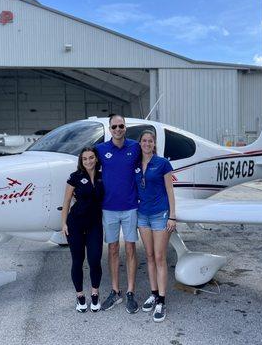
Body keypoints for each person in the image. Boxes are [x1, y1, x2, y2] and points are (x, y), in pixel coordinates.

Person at [95, 114, 141, 313]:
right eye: (114, 126)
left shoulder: (135, 147)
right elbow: (89, 170)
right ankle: (115, 291)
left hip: (130, 207)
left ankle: (130, 292)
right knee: (113, 250)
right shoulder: (101, 149)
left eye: (121, 126)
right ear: (109, 128)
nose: (118, 129)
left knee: (131, 249)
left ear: (125, 128)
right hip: (109, 209)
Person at [135, 130, 176, 323]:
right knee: (149, 256)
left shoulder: (163, 163)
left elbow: (170, 190)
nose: (147, 143)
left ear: (154, 143)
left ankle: (161, 300)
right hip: (142, 215)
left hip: (160, 215)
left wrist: (172, 216)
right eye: (144, 140)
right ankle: (152, 294)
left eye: (150, 141)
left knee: (160, 257)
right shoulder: (135, 164)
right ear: (140, 143)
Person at [61, 147, 104, 313]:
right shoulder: (75, 177)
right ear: (81, 161)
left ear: (96, 159)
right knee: (77, 261)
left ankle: (95, 294)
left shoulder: (102, 176)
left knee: (94, 260)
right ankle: (80, 296)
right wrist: (63, 224)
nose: (88, 161)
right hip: (75, 224)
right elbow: (66, 202)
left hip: (95, 224)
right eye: (85, 159)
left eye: (91, 157)